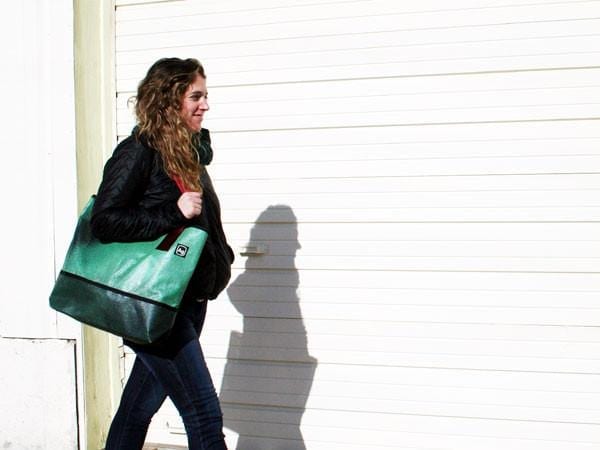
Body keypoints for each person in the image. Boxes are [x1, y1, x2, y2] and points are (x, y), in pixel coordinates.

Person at [90, 57, 234, 450]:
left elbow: (204, 224)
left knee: (138, 407)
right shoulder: (139, 151)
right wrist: (172, 212)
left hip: (187, 300)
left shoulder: (186, 153)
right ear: (170, 100)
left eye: (205, 96)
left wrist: (223, 257)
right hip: (153, 303)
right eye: (196, 96)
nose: (205, 105)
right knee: (203, 413)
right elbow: (105, 221)